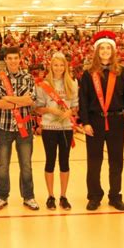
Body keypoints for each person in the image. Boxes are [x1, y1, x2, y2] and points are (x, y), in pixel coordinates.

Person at [79, 30, 124, 211]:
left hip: (116, 121)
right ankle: (94, 196)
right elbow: (83, 100)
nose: (105, 51)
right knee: (94, 161)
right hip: (95, 121)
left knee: (116, 161)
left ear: (113, 51)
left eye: (108, 48)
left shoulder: (123, 73)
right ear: (97, 51)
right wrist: (85, 122)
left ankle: (115, 196)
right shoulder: (88, 74)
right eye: (101, 48)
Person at [0, 46, 39, 211]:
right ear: (5, 60)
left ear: (20, 59)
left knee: (26, 164)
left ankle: (29, 197)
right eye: (9, 58)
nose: (12, 61)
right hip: (3, 127)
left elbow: (30, 101)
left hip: (24, 127)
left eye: (15, 58)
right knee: (3, 165)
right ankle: (1, 197)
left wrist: (9, 99)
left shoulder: (28, 77)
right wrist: (19, 100)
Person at [35, 52, 78, 210]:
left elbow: (75, 106)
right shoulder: (43, 84)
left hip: (66, 128)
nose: (58, 68)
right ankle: (51, 196)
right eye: (55, 65)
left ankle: (63, 196)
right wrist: (50, 110)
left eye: (61, 65)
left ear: (65, 67)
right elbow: (37, 108)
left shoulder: (72, 84)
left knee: (64, 162)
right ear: (50, 66)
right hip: (49, 127)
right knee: (50, 161)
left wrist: (70, 112)